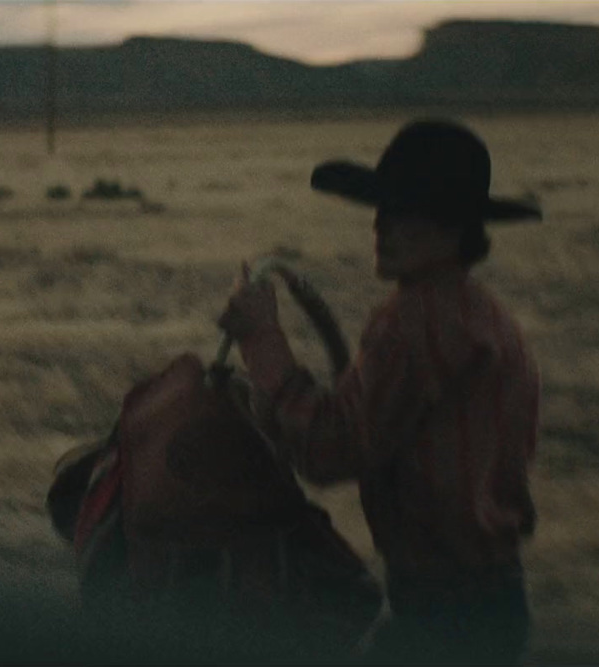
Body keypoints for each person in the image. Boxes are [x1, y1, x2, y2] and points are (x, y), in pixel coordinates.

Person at [218, 118, 542, 665]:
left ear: (453, 228)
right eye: (382, 209)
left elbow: (329, 449)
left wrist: (261, 339)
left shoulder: (416, 323)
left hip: (445, 620)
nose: (381, 227)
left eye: (405, 213)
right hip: (483, 601)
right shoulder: (479, 312)